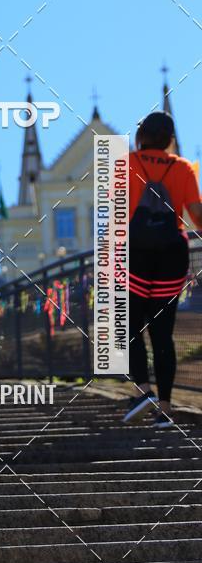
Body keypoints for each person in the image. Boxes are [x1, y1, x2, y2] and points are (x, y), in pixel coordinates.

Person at [123, 113, 202, 427]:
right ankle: (165, 410)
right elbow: (197, 216)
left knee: (128, 328)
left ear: (141, 136)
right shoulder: (182, 168)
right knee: (163, 334)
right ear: (170, 137)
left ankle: (144, 391)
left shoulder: (125, 163)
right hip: (172, 256)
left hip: (136, 254)